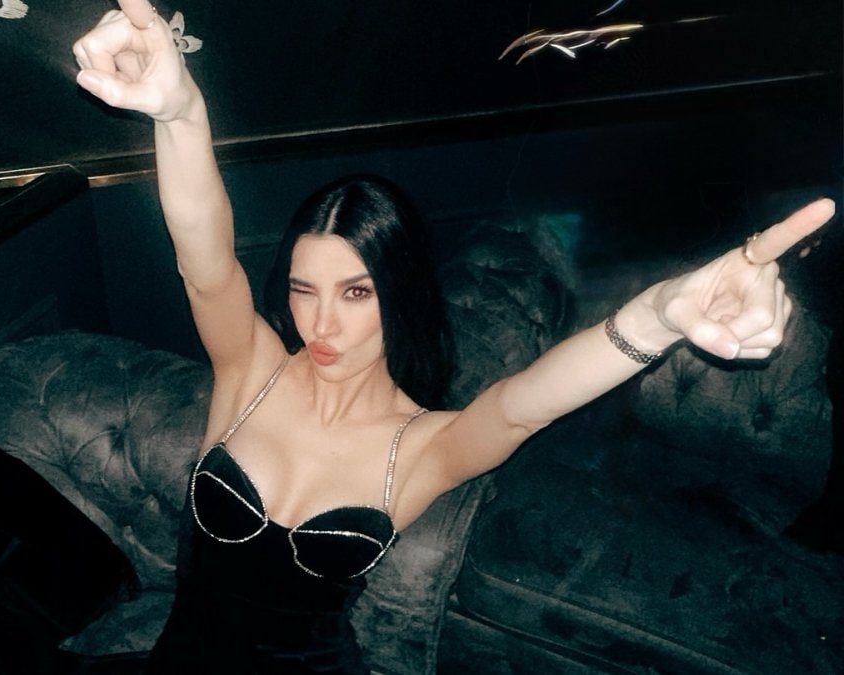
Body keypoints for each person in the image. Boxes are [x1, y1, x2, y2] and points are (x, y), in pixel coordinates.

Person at [72, 2, 837, 672]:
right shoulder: (251, 369)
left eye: (356, 292)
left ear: (398, 295)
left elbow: (521, 406)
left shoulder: (419, 446)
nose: (322, 323)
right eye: (304, 290)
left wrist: (659, 315)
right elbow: (204, 260)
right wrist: (181, 114)